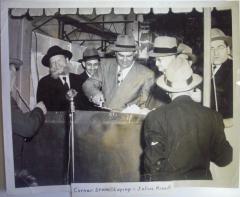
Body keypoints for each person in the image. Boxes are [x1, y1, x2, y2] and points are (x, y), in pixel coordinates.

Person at [143, 56, 232, 181]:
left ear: (167, 90)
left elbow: (151, 164)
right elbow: (225, 159)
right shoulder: (213, 116)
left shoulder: (155, 116)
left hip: (169, 189)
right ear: (192, 87)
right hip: (201, 187)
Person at [82, 34, 155, 112]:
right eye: (121, 55)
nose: (124, 60)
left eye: (129, 56)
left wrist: (137, 110)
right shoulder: (105, 65)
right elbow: (88, 84)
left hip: (128, 120)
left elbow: (145, 104)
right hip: (104, 117)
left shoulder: (147, 74)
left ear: (134, 54)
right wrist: (95, 94)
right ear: (115, 53)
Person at [10, 58, 47, 187]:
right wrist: (39, 110)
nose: (13, 79)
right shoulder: (5, 99)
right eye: (12, 74)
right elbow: (27, 128)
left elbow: (14, 121)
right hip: (11, 169)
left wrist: (31, 114)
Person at [37, 45, 89, 111]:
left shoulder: (80, 80)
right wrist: (66, 97)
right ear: (50, 66)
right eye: (53, 63)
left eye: (59, 60)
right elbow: (44, 109)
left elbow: (87, 105)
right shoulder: (44, 83)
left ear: (67, 60)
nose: (56, 65)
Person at [210, 28, 233, 119]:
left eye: (220, 47)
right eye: (211, 48)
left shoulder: (233, 70)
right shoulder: (206, 70)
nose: (216, 53)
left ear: (228, 50)